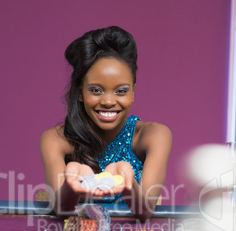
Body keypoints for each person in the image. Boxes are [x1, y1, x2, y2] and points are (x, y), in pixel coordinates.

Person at [40, 26, 172, 221]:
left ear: (133, 91)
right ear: (80, 92)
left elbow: (145, 211)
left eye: (121, 91)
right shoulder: (54, 139)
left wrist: (127, 183)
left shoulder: (155, 135)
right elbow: (61, 210)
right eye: (96, 90)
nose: (109, 102)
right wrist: (72, 184)